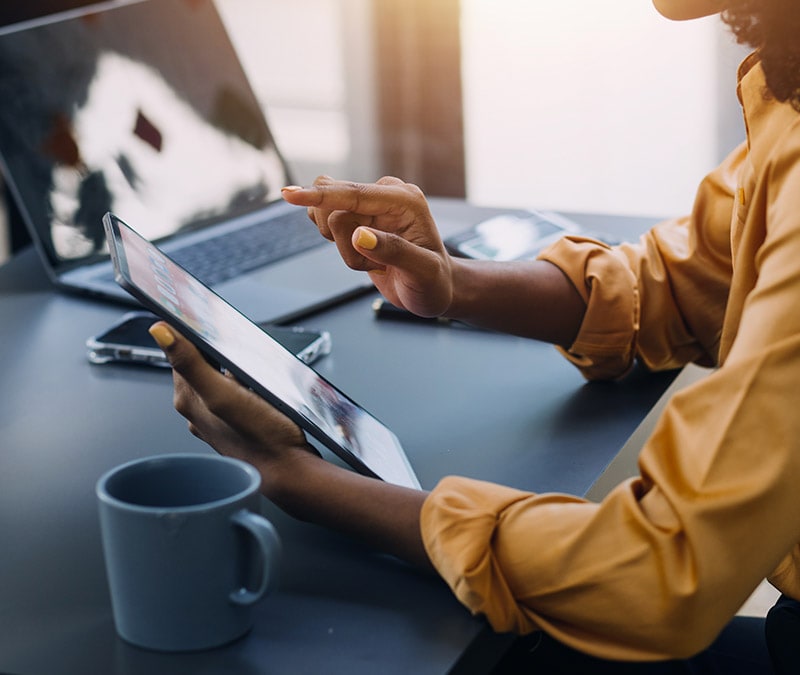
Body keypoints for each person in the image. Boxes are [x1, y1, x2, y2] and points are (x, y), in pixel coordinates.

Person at [148, 0, 800, 671]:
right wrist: (453, 283)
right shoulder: (790, 90)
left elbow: (663, 565)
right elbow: (686, 280)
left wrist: (295, 477)